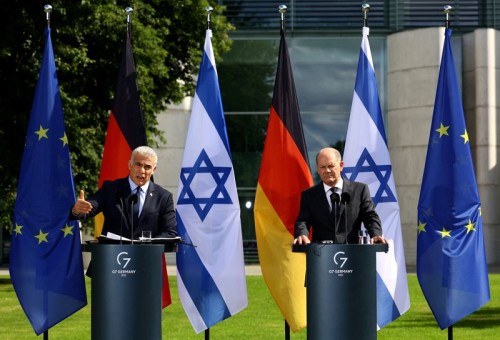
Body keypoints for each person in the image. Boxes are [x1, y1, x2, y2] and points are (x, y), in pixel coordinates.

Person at [70, 146, 177, 240]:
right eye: (138, 165)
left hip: (145, 259)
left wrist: (147, 244)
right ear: (129, 165)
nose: (142, 170)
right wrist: (76, 210)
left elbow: (169, 233)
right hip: (111, 258)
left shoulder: (164, 197)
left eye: (147, 167)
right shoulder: (110, 188)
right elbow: (89, 208)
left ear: (154, 169)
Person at [293, 147, 386, 245]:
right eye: (322, 167)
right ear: (318, 169)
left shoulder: (359, 190)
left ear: (341, 165)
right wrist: (301, 234)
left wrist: (375, 234)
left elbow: (370, 216)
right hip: (322, 255)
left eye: (331, 166)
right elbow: (303, 221)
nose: (327, 170)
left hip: (353, 254)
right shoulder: (309, 195)